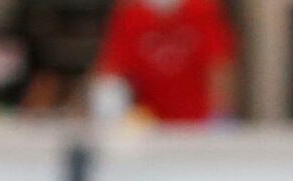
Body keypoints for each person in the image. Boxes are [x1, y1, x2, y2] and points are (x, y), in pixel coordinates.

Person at [92, 0, 237, 125]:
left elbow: (219, 67)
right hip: (149, 124)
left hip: (197, 122)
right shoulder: (131, 16)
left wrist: (220, 112)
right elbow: (111, 73)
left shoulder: (202, 11)